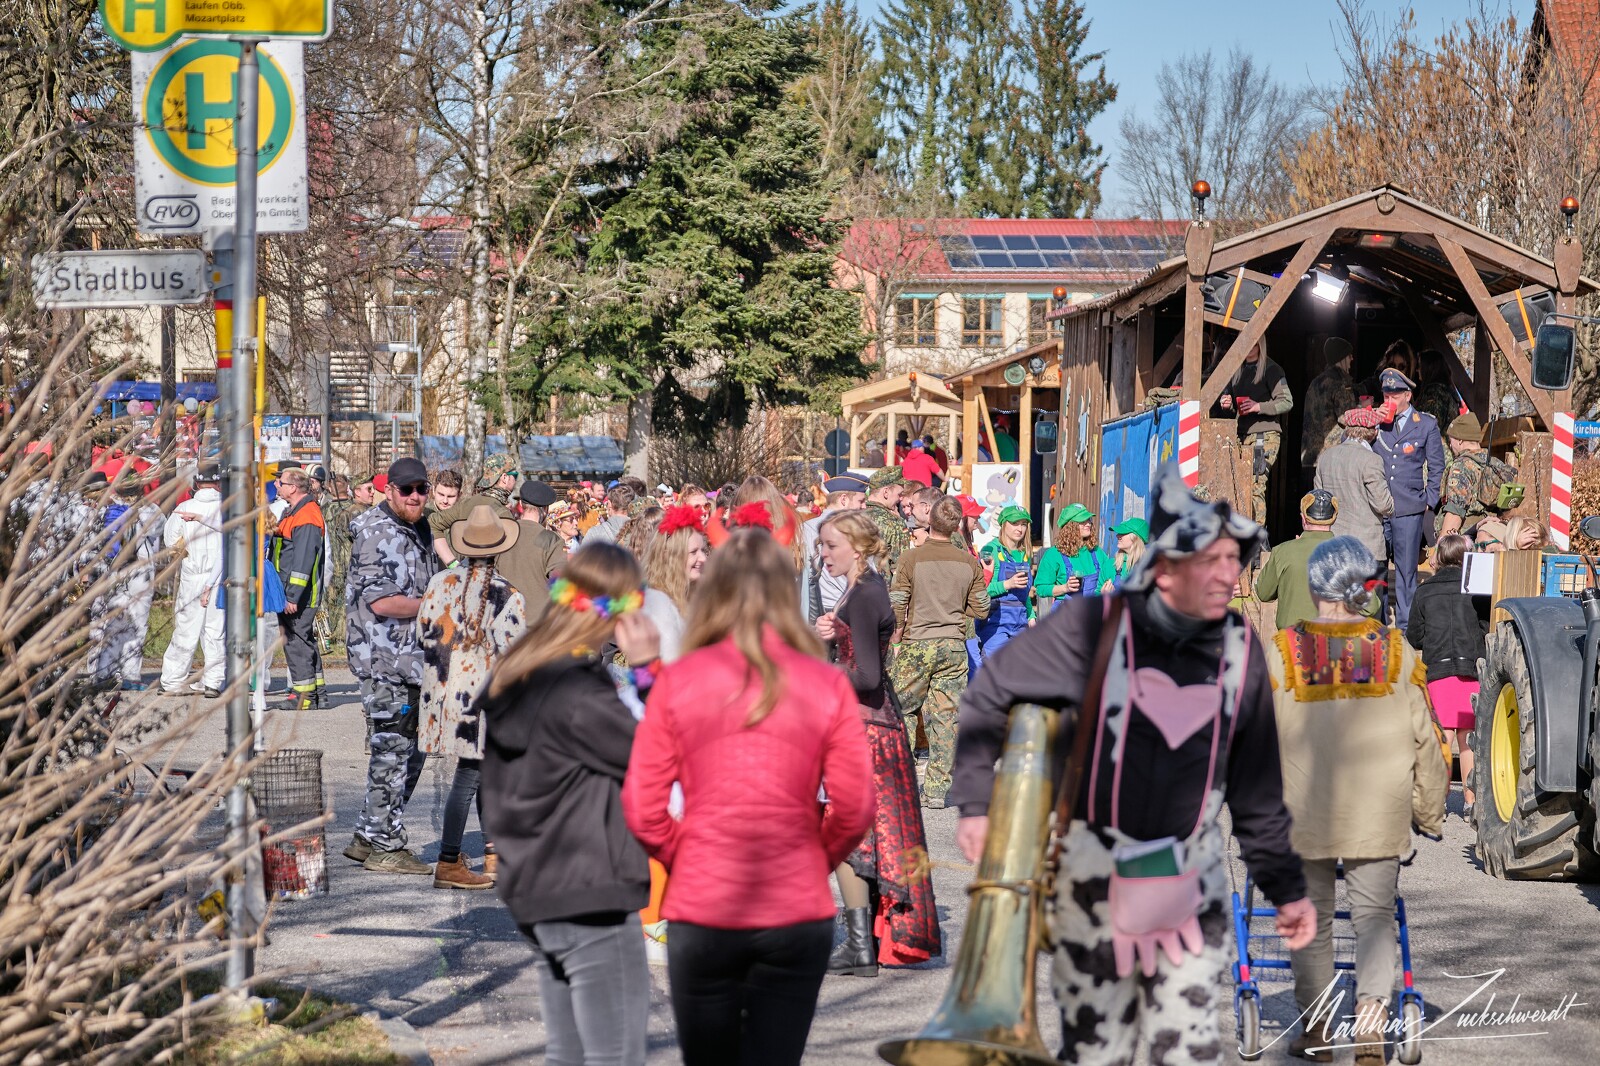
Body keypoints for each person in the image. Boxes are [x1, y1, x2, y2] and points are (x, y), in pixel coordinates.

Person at [950, 463, 1314, 1066]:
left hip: (1189, 874)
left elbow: (1255, 789)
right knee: (1097, 1049)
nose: (1232, 573)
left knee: (1187, 1048)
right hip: (1095, 868)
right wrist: (972, 803)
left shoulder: (1241, 647)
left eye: (1236, 559)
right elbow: (991, 691)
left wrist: (1286, 888)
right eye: (1214, 560)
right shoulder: (1093, 626)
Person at [623, 528, 874, 1066]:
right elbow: (855, 807)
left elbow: (642, 806)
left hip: (706, 901)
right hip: (793, 902)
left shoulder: (679, 680)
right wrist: (814, 860)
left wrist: (684, 856)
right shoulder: (825, 683)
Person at [478, 543, 661, 1066]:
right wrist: (649, 672)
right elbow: (655, 753)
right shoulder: (576, 692)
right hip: (588, 888)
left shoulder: (522, 670)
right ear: (616, 609)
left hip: (538, 882)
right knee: (615, 1053)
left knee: (570, 1052)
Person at [1270, 536, 1447, 1064]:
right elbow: (1426, 739)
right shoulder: (1397, 652)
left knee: (1312, 919)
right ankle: (1371, 1025)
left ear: (1314, 586)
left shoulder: (1282, 653)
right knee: (1373, 919)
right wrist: (1428, 811)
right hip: (1379, 811)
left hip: (1303, 811)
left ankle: (1320, 1028)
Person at [814, 510, 939, 974]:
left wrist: (818, 674)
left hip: (865, 727)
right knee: (865, 837)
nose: (823, 554)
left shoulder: (865, 593)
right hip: (868, 722)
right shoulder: (861, 588)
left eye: (831, 545)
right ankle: (863, 941)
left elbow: (865, 676)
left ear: (858, 547)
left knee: (851, 835)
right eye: (822, 545)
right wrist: (831, 635)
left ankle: (861, 947)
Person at [418, 505, 527, 891]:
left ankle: (493, 850)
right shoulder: (506, 595)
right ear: (498, 549)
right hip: (482, 701)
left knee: (480, 773)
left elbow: (423, 636)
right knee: (470, 777)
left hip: (441, 695)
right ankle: (449, 860)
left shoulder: (437, 584)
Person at [344, 457, 440, 875]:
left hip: (411, 660)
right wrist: (439, 604)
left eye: (422, 488)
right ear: (389, 491)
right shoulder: (376, 533)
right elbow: (382, 602)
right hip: (385, 661)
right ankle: (386, 845)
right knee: (394, 753)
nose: (416, 496)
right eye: (407, 489)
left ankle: (370, 834)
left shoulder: (417, 526)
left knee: (407, 751)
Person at [888, 496, 990, 808]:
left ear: (928, 520)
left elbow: (897, 603)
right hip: (953, 646)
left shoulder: (910, 558)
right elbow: (982, 609)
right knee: (946, 716)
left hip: (917, 642)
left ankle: (900, 783)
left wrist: (897, 637)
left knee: (902, 709)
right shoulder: (969, 563)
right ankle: (935, 791)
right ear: (958, 525)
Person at [1407, 533, 1489, 818]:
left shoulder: (1425, 591)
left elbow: (1414, 636)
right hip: (1471, 671)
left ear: (1439, 557)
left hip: (1439, 672)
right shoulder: (1476, 589)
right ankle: (1470, 801)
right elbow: (1486, 626)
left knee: (1443, 738)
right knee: (1469, 739)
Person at [1376, 368, 1445, 630]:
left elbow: (1437, 465)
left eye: (1394, 393)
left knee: (1406, 572)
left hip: (1408, 508)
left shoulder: (1425, 424)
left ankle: (1406, 627)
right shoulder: (1376, 422)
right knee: (1378, 569)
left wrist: (1429, 500)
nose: (1389, 398)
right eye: (1385, 393)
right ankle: (1379, 623)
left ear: (1408, 394)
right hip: (1379, 506)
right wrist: (1373, 423)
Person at [89, 476, 164, 691]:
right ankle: (131, 676)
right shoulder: (153, 511)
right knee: (137, 626)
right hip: (141, 573)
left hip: (114, 573)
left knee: (112, 624)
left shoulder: (108, 512)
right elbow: (159, 535)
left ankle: (103, 673)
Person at [159, 464, 225, 697]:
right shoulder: (226, 508)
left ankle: (173, 681)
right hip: (220, 575)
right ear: (218, 483)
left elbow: (170, 541)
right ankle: (213, 682)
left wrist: (183, 549)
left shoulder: (185, 507)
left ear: (196, 484)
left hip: (192, 574)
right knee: (215, 630)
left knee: (186, 629)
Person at [1217, 339, 1294, 526]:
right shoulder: (1236, 368)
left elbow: (1287, 401)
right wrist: (1227, 404)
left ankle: (1257, 539)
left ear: (1261, 344)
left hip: (1264, 435)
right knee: (1239, 485)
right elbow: (1233, 405)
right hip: (1241, 435)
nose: (1250, 345)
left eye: (1254, 342)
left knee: (1254, 486)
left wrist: (1258, 406)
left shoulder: (1271, 369)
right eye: (1246, 341)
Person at [271, 467, 328, 710]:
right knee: (303, 640)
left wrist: (292, 595)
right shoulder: (296, 511)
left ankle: (302, 697)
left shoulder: (306, 515)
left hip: (298, 593)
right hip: (292, 590)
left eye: (281, 482)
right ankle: (317, 694)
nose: (277, 486)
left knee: (295, 640)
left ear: (293, 487)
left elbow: (303, 561)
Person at [1315, 407, 1394, 563]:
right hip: (1366, 547)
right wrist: (1393, 505)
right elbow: (1383, 505)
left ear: (1347, 430)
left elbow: (1319, 500)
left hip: (1333, 546)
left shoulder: (1325, 457)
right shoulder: (1372, 460)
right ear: (1374, 432)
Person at [1255, 491, 1339, 632]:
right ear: (1333, 519)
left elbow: (1263, 592)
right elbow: (1371, 606)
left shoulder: (1283, 551)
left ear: (1303, 519)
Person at [641, 504, 710, 663]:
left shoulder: (694, 593)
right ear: (670, 556)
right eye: (694, 552)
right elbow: (670, 664)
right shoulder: (658, 603)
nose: (703, 558)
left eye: (703, 551)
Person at [800, 471, 869, 625]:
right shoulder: (854, 531)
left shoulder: (804, 528)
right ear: (843, 499)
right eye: (861, 501)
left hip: (814, 615)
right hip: (847, 613)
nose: (864, 507)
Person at [494, 479, 569, 616]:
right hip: (538, 623)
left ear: (521, 504)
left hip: (502, 619)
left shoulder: (502, 534)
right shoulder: (551, 540)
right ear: (545, 509)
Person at [1435, 412, 1515, 537]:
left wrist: (1442, 547)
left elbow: (1455, 511)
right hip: (1492, 532)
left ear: (1460, 440)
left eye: (1452, 440)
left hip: (1467, 536)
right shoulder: (1495, 463)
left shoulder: (1461, 466)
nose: (1450, 445)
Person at [975, 504, 1034, 665]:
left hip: (1020, 623)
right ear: (1003, 524)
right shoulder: (990, 550)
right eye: (1015, 523)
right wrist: (1007, 584)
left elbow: (1025, 592)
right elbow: (980, 591)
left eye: (1023, 524)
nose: (1020, 528)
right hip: (995, 624)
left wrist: (1031, 615)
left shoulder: (1024, 555)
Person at [432, 454, 517, 566]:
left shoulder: (467, 503)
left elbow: (433, 523)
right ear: (505, 478)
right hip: (488, 578)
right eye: (515, 475)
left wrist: (452, 563)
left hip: (462, 574)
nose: (515, 480)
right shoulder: (502, 512)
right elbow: (508, 560)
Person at [1033, 503, 1114, 614]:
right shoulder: (1053, 555)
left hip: (1093, 614)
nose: (1088, 524)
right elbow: (1041, 588)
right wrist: (1065, 588)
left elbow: (1111, 577)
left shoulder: (1097, 552)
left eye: (1088, 520)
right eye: (1082, 521)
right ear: (1070, 526)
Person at [1300, 337, 1357, 485]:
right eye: (1349, 354)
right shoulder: (1341, 383)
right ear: (1341, 357)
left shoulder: (1316, 382)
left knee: (1312, 505)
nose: (1352, 358)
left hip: (1310, 459)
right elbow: (1348, 419)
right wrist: (1362, 409)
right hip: (1331, 461)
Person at [862, 467, 910, 580]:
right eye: (899, 494)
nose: (901, 498)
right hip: (883, 591)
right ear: (886, 492)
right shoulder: (894, 523)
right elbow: (901, 568)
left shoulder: (854, 516)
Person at [1103, 517, 1148, 592]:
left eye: (1123, 533)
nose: (1117, 536)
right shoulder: (1109, 565)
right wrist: (1104, 596)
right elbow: (1097, 594)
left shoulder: (1150, 567)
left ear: (1136, 538)